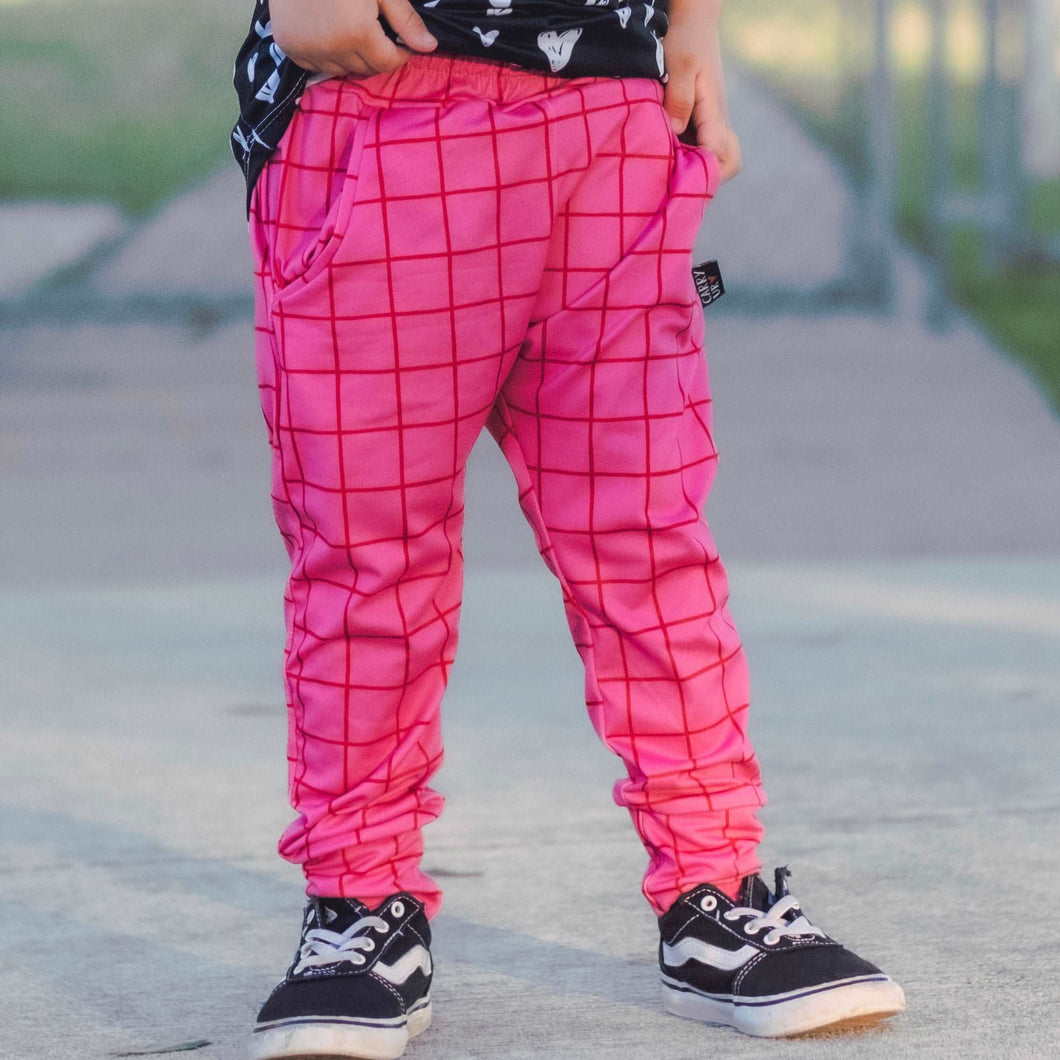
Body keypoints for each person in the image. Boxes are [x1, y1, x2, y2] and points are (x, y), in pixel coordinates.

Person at [231, 0, 906, 1055]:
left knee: (647, 532)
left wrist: (694, 26)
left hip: (612, 115)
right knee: (370, 550)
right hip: (384, 93)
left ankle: (713, 888)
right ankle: (360, 904)